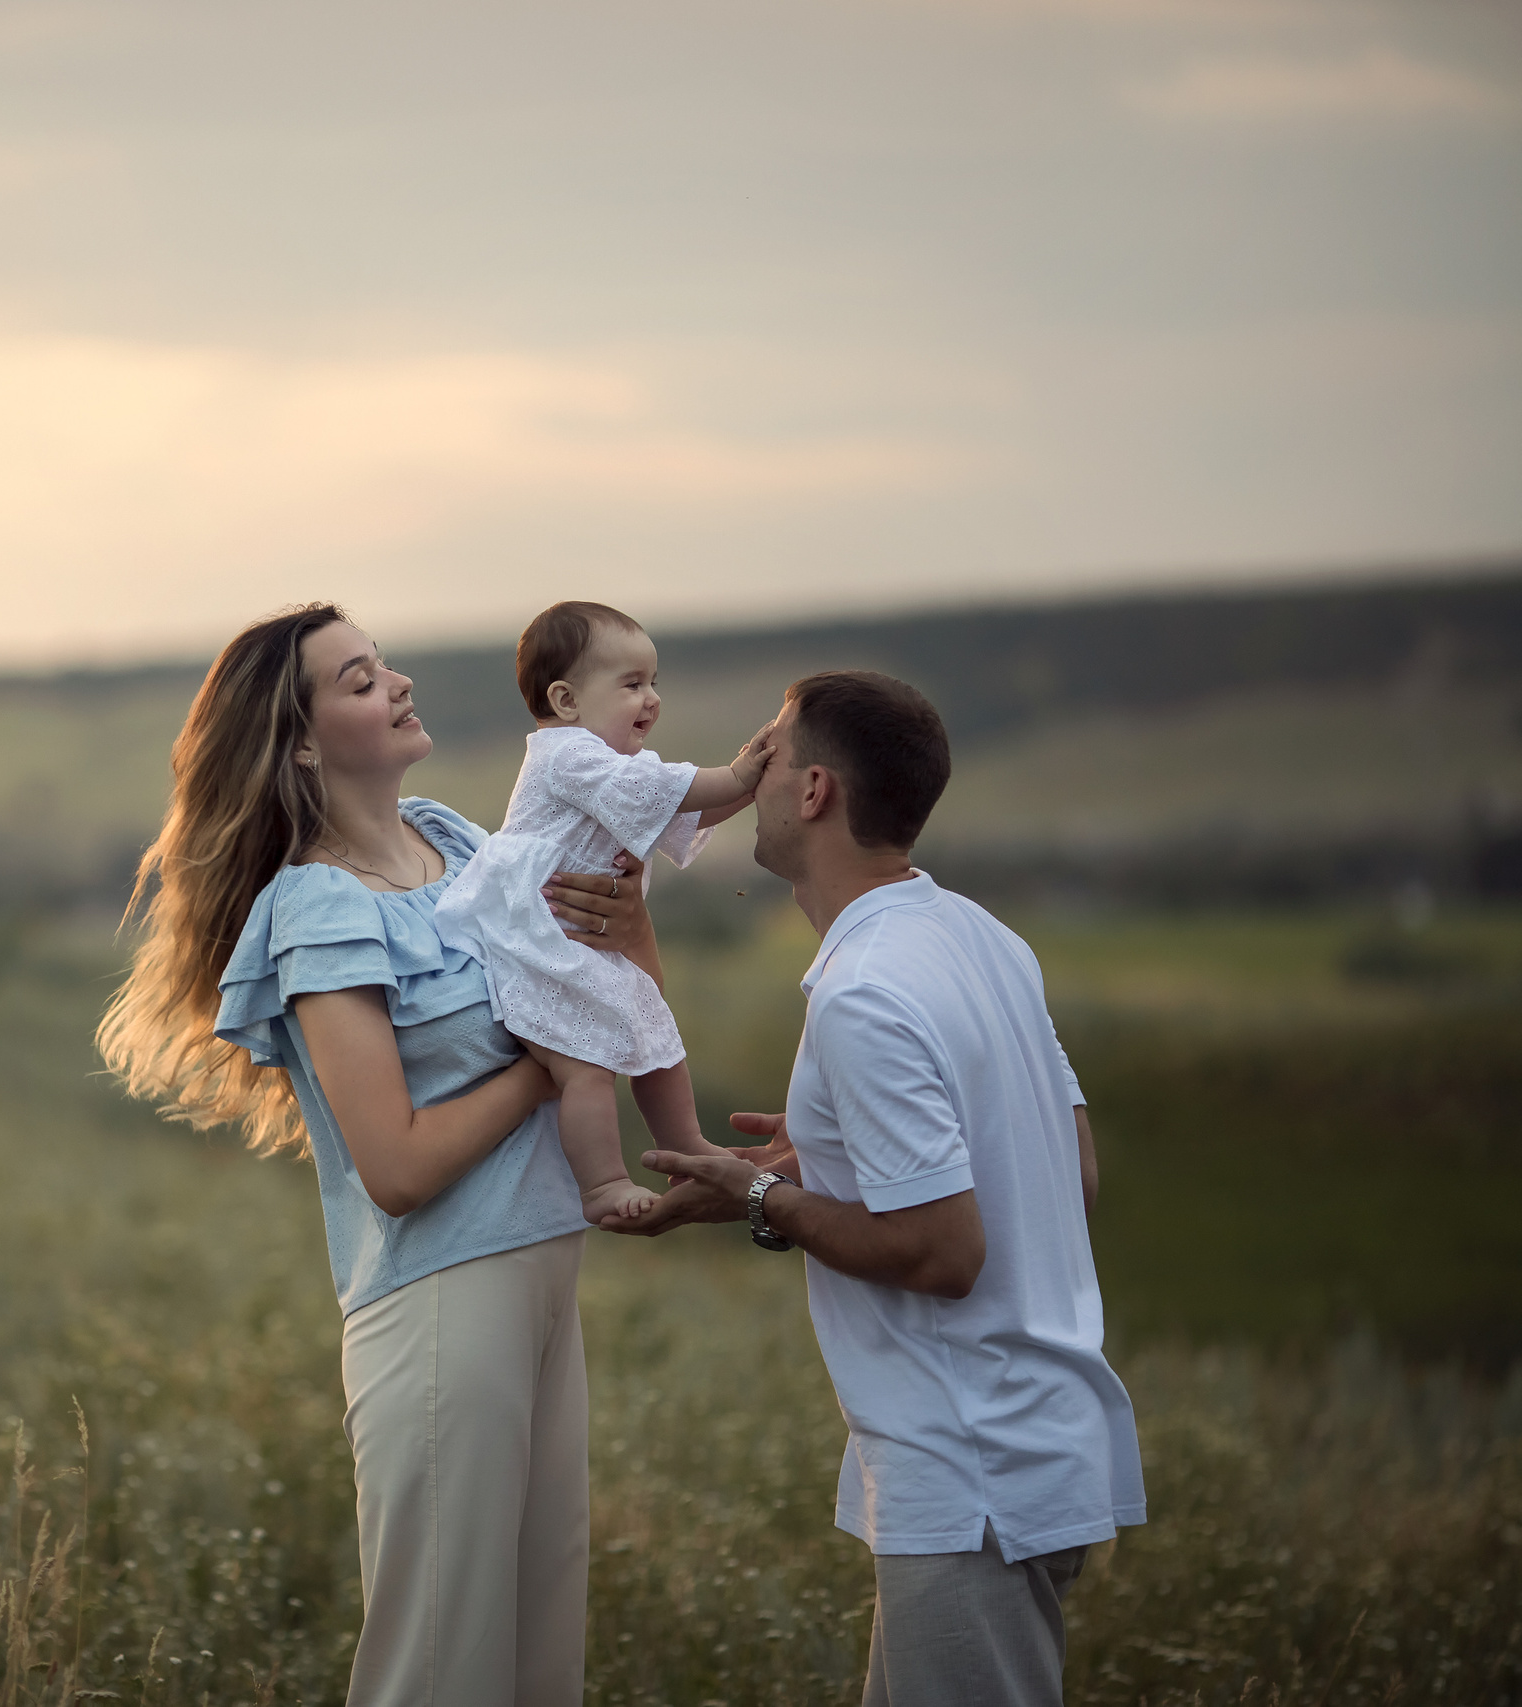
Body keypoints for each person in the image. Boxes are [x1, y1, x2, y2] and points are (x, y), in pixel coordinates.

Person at [96, 603, 676, 1707]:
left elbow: (603, 995)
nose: (396, 683)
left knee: (540, 1664)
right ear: (303, 739)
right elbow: (397, 1167)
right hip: (442, 1307)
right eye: (359, 680)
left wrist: (626, 930)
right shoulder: (317, 909)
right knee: (441, 1674)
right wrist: (548, 1065)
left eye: (382, 664)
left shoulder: (459, 842)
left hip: (547, 1281)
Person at [637, 669, 1146, 1707]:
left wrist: (754, 1199)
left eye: (764, 751)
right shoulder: (980, 939)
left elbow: (943, 1254)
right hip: (1035, 1445)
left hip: (973, 1474)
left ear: (814, 790)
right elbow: (1067, 1169)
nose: (747, 772)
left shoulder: (866, 993)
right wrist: (835, 1154)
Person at [434, 601, 772, 1223]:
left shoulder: (616, 768)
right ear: (565, 701)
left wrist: (750, 786)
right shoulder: (566, 755)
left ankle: (685, 1146)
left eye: (654, 683)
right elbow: (691, 790)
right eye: (632, 684)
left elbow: (684, 810)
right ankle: (602, 1184)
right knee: (585, 1067)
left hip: (583, 944)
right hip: (536, 943)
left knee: (658, 1041)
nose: (652, 699)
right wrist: (740, 771)